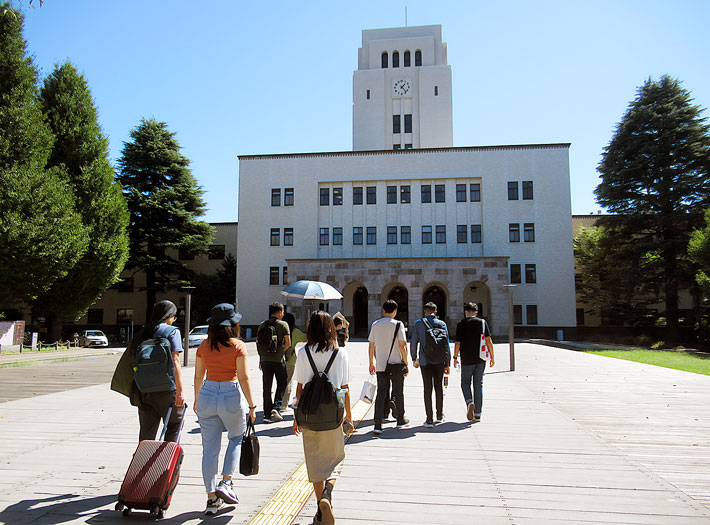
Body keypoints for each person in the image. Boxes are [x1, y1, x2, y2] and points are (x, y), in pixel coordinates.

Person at [193, 303, 257, 515]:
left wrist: (196, 399)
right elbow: (243, 377)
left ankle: (211, 498)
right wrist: (251, 405)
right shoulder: (237, 346)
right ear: (232, 325)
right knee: (236, 437)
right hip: (230, 394)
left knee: (209, 449)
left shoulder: (203, 346)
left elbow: (198, 376)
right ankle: (226, 482)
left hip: (207, 394)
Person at [293, 311, 352, 525]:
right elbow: (344, 388)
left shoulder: (303, 353)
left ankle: (320, 507)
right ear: (331, 328)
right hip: (333, 415)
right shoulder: (340, 353)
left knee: (315, 462)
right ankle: (328, 493)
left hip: (309, 415)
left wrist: (296, 417)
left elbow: (299, 387)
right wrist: (349, 418)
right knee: (336, 459)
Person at [135, 300, 186, 443]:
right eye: (173, 316)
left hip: (144, 389)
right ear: (169, 315)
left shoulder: (144, 331)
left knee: (146, 433)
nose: (173, 320)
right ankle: (167, 463)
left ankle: (144, 463)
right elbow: (175, 360)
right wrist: (180, 391)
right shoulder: (172, 331)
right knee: (174, 426)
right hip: (166, 388)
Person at [368, 299, 409, 435]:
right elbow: (402, 345)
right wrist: (406, 362)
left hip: (381, 365)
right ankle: (400, 420)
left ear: (383, 311)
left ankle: (378, 424)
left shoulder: (376, 324)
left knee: (381, 394)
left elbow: (371, 345)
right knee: (398, 392)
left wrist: (371, 363)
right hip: (396, 364)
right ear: (395, 311)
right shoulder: (398, 324)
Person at [410, 302, 450, 428]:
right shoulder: (442, 324)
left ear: (425, 311)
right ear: (436, 311)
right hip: (439, 360)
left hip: (425, 360)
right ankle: (440, 415)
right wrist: (447, 363)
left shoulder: (419, 323)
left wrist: (413, 357)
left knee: (427, 388)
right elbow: (446, 344)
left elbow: (414, 342)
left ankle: (429, 419)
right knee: (438, 387)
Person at [454, 302, 495, 422]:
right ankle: (478, 414)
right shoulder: (482, 323)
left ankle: (469, 401)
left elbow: (457, 343)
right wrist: (492, 357)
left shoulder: (461, 324)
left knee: (465, 383)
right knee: (478, 384)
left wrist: (455, 357)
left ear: (466, 312)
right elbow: (488, 340)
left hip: (466, 359)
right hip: (480, 359)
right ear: (476, 312)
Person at [257, 302, 291, 423]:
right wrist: (280, 351)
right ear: (280, 312)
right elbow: (288, 343)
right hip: (278, 360)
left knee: (267, 387)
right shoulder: (283, 325)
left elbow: (259, 344)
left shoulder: (262, 325)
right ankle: (276, 407)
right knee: (282, 381)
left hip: (265, 360)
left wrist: (261, 358)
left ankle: (266, 415)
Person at [282, 314, 306, 410]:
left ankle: (277, 403)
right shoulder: (295, 332)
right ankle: (283, 405)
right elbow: (305, 338)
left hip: (278, 360)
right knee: (288, 383)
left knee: (281, 383)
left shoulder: (280, 330)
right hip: (290, 360)